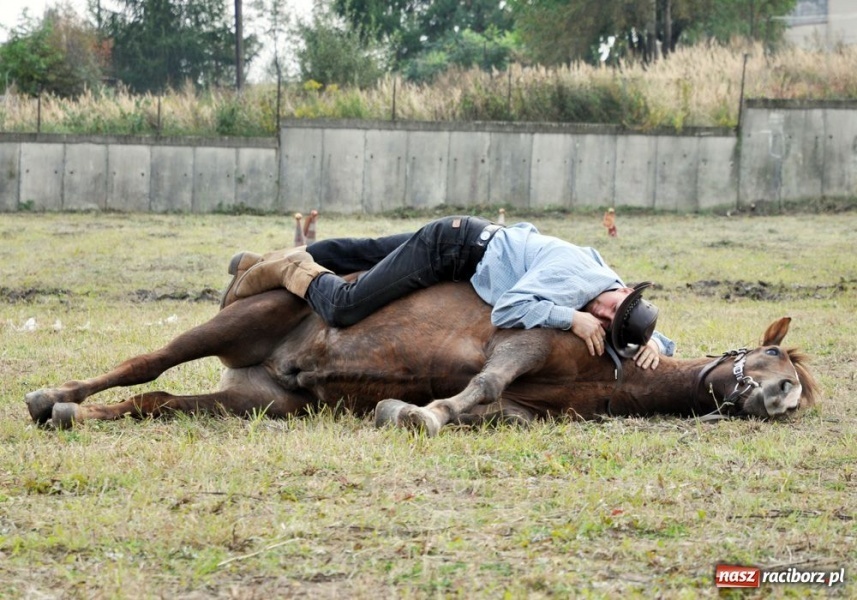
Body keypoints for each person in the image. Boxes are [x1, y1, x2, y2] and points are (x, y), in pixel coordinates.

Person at [222, 215, 675, 369]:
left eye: (606, 320)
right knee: (344, 306)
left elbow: (627, 321)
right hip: (452, 250)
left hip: (467, 235)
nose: (599, 311)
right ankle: (290, 266)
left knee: (358, 253)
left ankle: (259, 262)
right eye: (609, 307)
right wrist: (569, 317)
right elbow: (511, 308)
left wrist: (654, 341)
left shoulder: (606, 274)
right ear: (626, 289)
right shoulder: (577, 279)